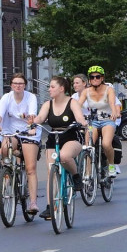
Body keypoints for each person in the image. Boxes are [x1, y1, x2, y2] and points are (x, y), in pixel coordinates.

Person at [30, 76, 88, 219]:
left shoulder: (72, 102)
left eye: (52, 87)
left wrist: (82, 123)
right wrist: (33, 123)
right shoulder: (48, 104)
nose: (49, 89)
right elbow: (40, 118)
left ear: (62, 89)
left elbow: (79, 117)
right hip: (53, 138)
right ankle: (50, 207)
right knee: (52, 172)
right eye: (49, 87)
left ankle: (75, 176)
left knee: (64, 156)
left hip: (71, 137)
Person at [0, 73, 39, 216]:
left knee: (30, 168)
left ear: (25, 85)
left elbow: (32, 115)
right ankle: (8, 174)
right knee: (4, 148)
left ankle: (33, 202)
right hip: (11, 132)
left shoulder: (31, 97)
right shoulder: (6, 98)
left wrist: (32, 127)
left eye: (21, 83)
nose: (18, 86)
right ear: (11, 85)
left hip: (28, 132)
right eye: (15, 83)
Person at [78, 65, 120, 179]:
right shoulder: (86, 91)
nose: (95, 79)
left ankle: (111, 165)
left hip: (107, 120)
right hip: (93, 122)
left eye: (97, 77)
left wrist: (114, 112)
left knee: (106, 144)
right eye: (92, 77)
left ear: (102, 78)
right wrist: (74, 115)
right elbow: (78, 105)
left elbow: (112, 103)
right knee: (88, 146)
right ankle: (88, 172)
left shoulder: (109, 89)